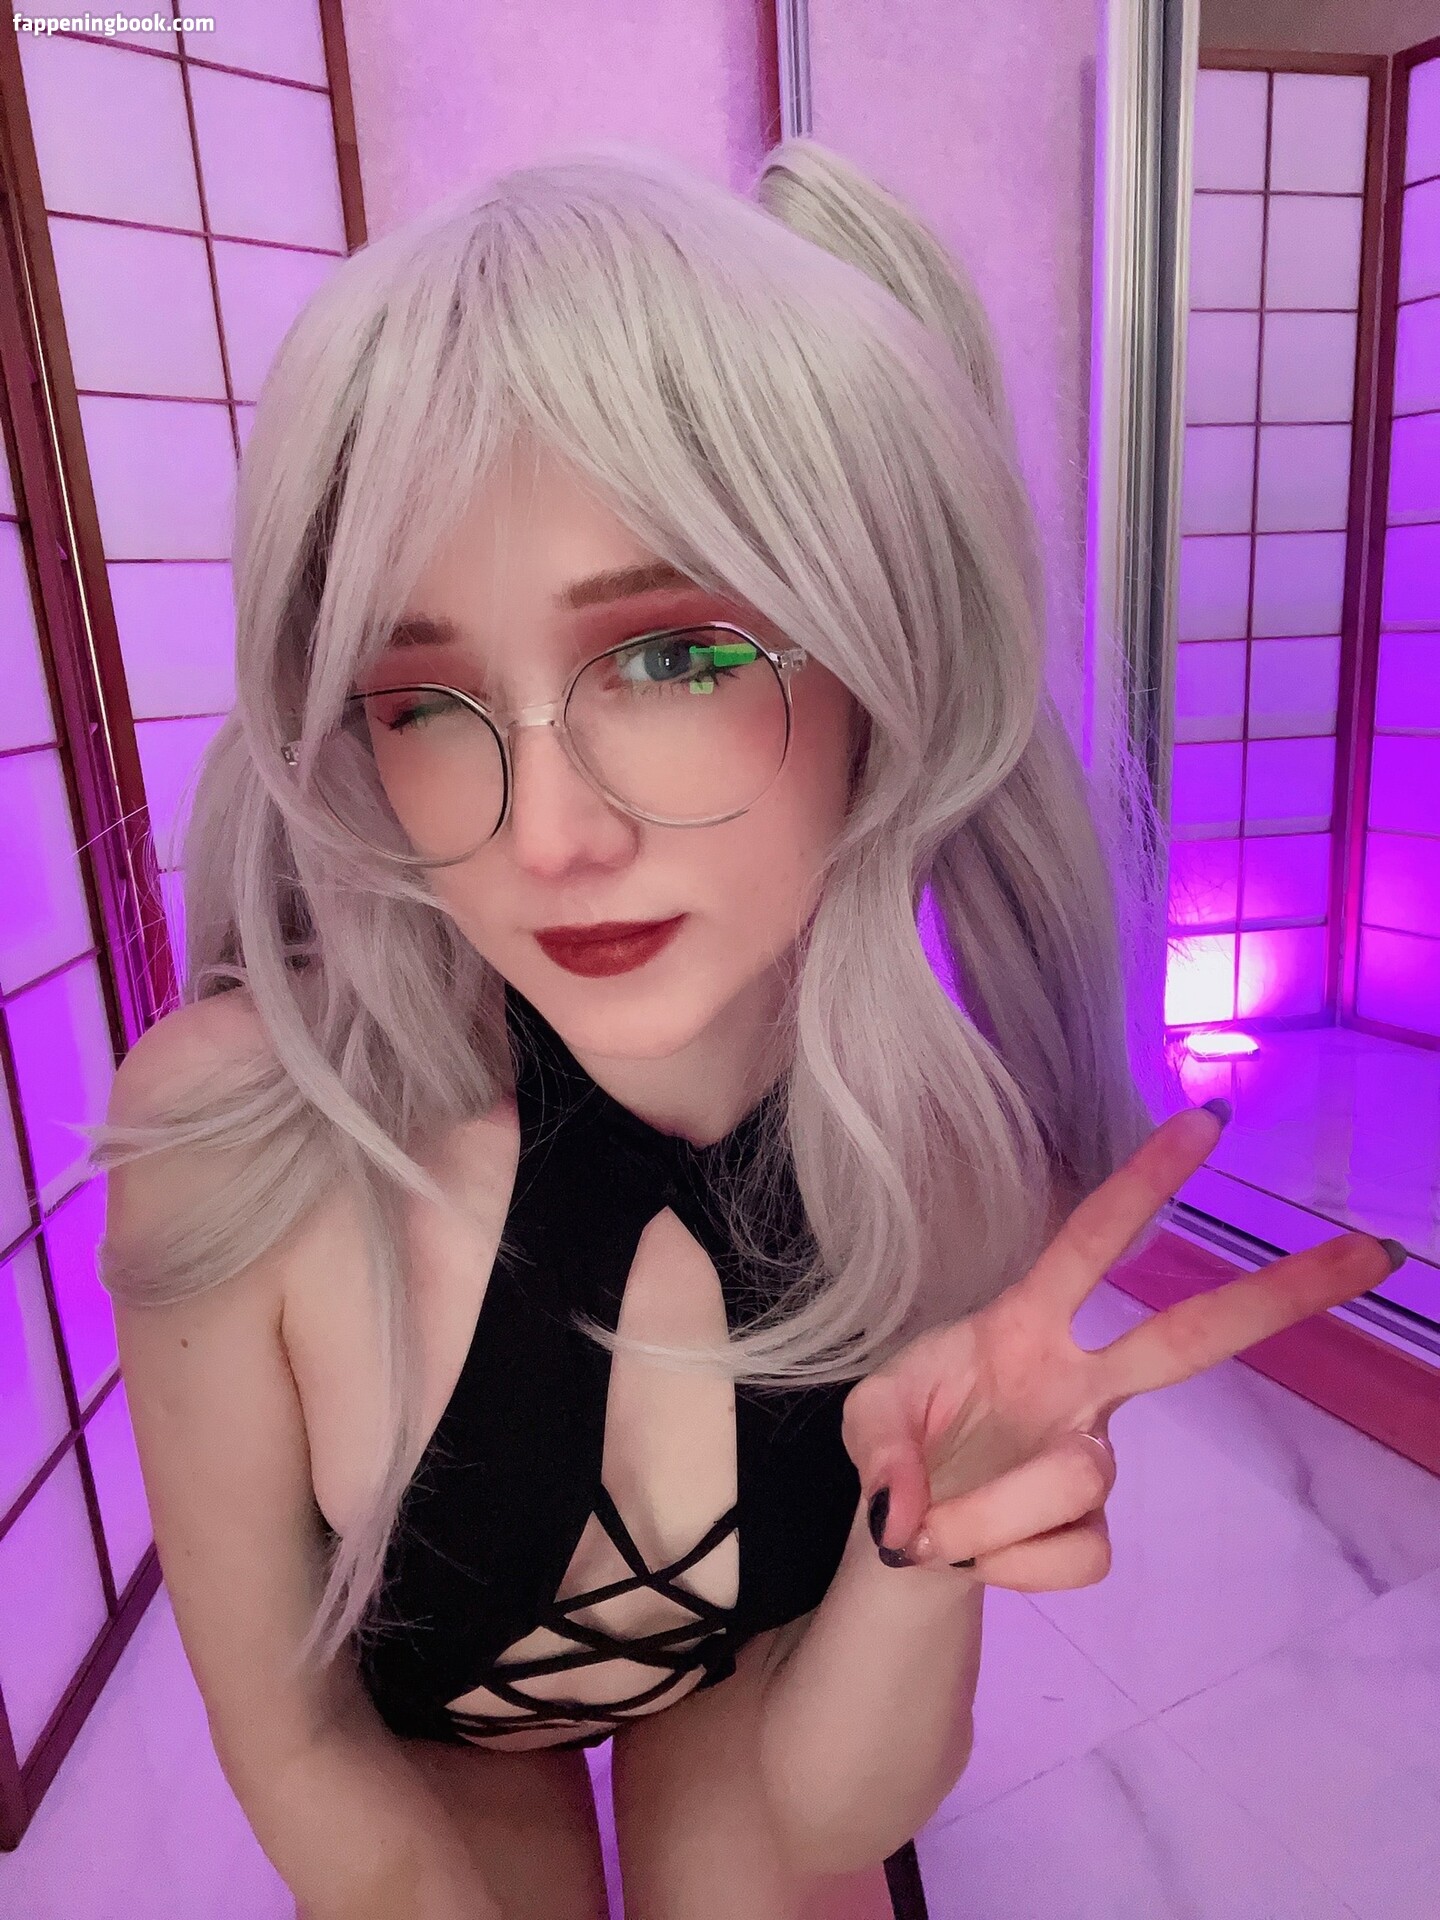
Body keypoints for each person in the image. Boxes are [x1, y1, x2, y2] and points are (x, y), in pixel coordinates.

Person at [91, 139, 1399, 1920]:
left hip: (744, 1695)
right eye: (425, 698)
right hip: (429, 1745)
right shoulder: (235, 1141)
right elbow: (294, 1739)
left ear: (882, 660)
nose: (549, 836)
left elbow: (831, 1802)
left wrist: (925, 1556)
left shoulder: (947, 1142)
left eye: (673, 656)